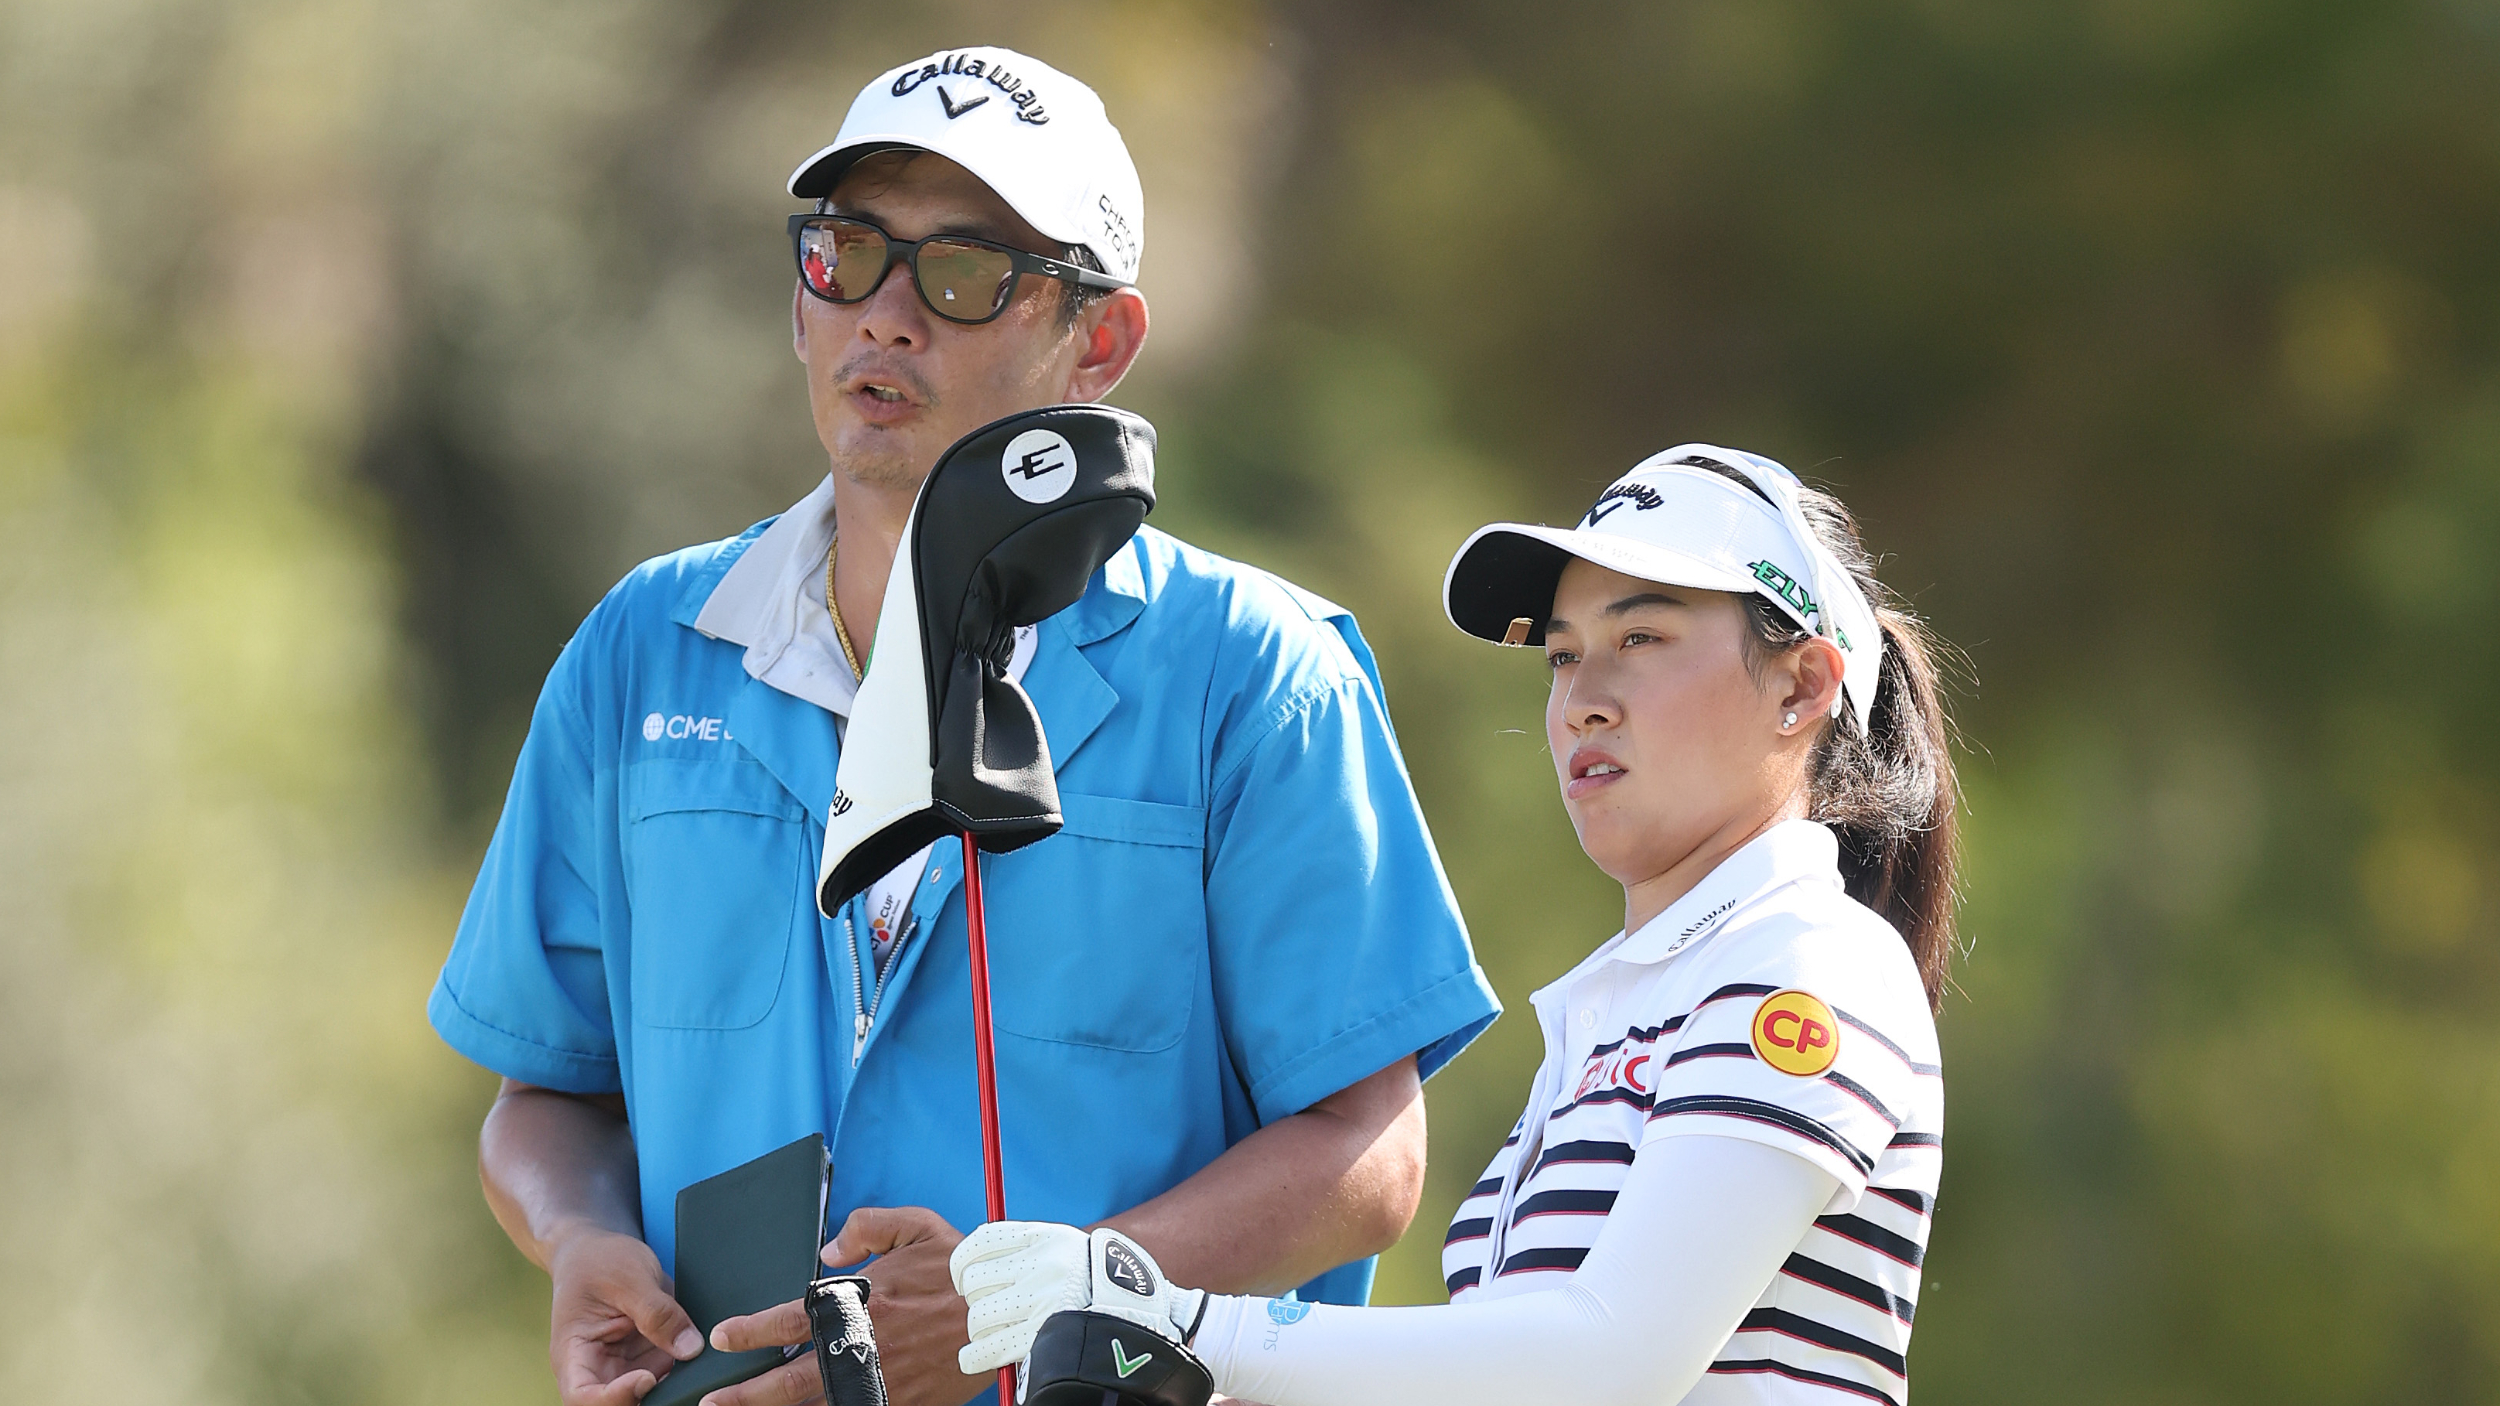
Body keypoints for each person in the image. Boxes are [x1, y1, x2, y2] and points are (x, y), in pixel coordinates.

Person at [425, 46, 1499, 1406]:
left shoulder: (1259, 675)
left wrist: (1027, 1305)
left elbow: (1368, 1153)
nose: (885, 316)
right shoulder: (640, 650)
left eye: (964, 272)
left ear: (1098, 343)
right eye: (848, 253)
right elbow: (546, 1093)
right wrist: (578, 1234)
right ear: (801, 300)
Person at [948, 444, 1960, 1406]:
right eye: (1563, 655)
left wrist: (1181, 1322)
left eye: (1640, 639)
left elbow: (1611, 1360)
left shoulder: (1809, 959)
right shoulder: (1625, 1009)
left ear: (1802, 685)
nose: (1582, 701)